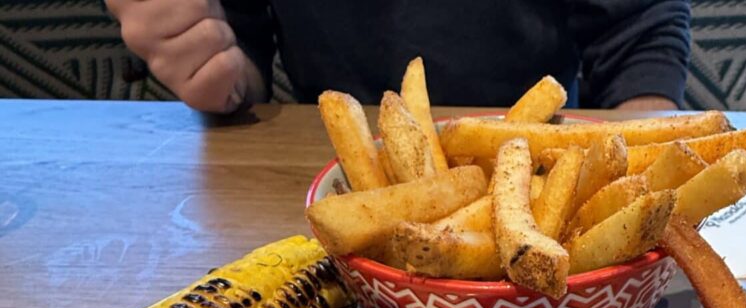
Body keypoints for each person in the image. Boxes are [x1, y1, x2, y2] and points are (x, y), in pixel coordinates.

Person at [106, 0, 692, 115]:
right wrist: (210, 68)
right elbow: (243, 53)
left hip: (547, 165)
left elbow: (641, 29)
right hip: (332, 185)